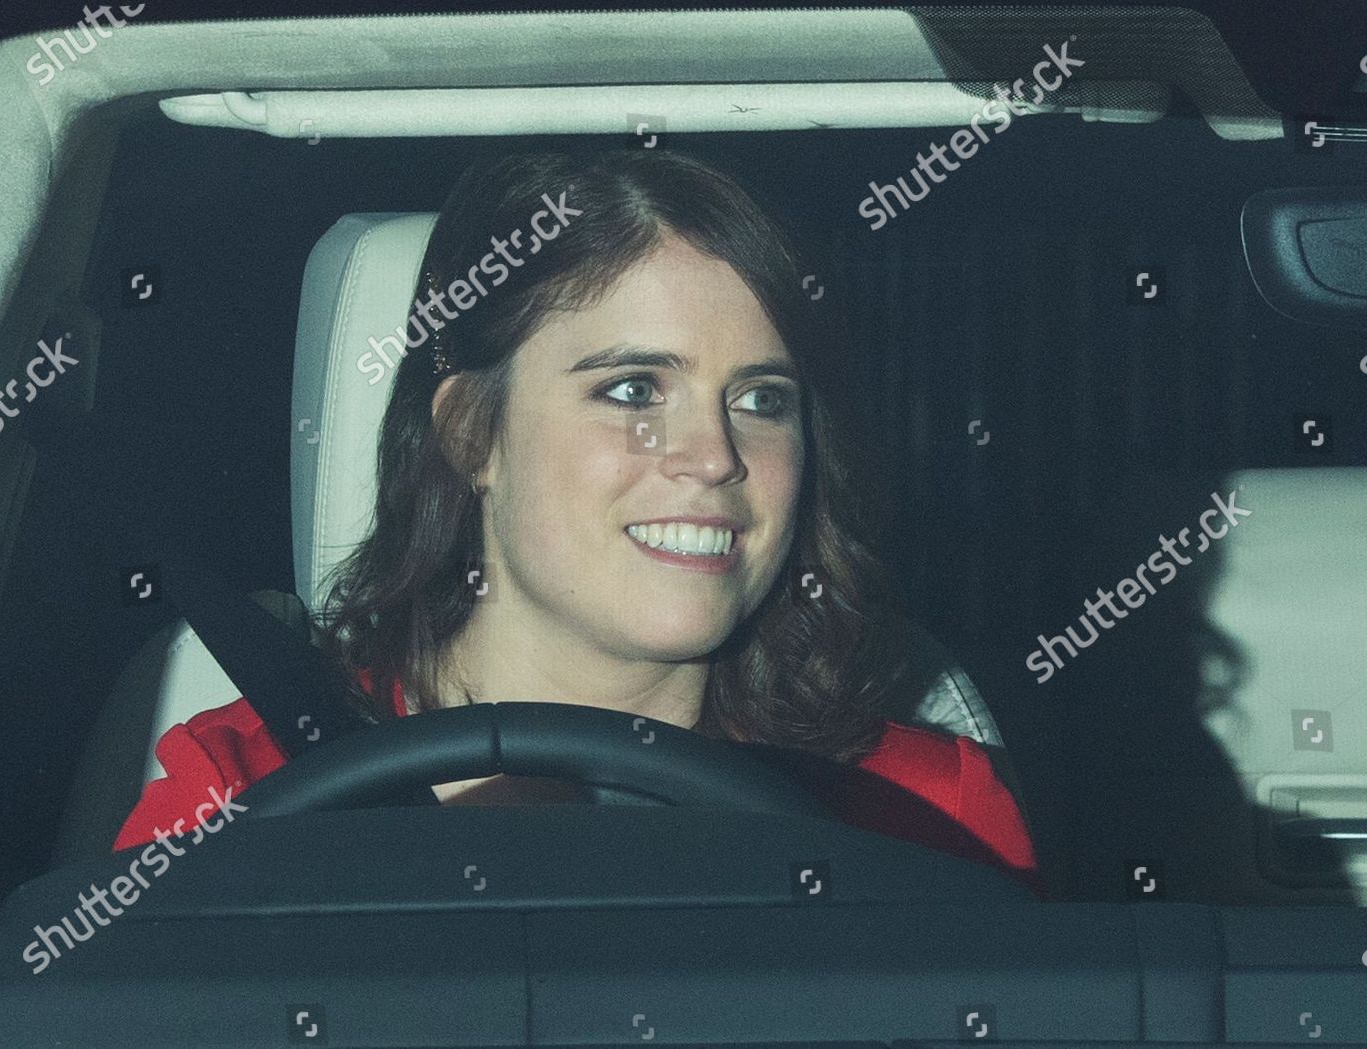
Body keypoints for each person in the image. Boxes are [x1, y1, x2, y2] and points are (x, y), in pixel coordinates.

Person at [113, 148, 1038, 893]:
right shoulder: (241, 791)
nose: (714, 456)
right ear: (473, 434)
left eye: (761, 400)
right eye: (633, 389)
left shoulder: (925, 815)